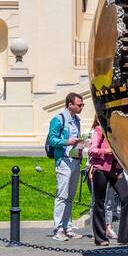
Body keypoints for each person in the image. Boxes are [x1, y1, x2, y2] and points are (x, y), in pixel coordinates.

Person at [85, 115, 128, 246]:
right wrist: (107, 151)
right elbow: (91, 150)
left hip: (116, 169)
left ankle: (125, 236)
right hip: (101, 168)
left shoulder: (119, 132)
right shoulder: (100, 130)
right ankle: (100, 238)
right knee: (99, 202)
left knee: (127, 198)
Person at [46, 92, 86, 241]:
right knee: (62, 195)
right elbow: (52, 140)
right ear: (70, 104)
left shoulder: (77, 120)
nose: (81, 107)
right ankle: (58, 229)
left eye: (82, 105)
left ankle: (68, 228)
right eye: (79, 105)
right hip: (63, 160)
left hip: (75, 159)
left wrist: (80, 147)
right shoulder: (58, 119)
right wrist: (66, 141)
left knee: (70, 196)